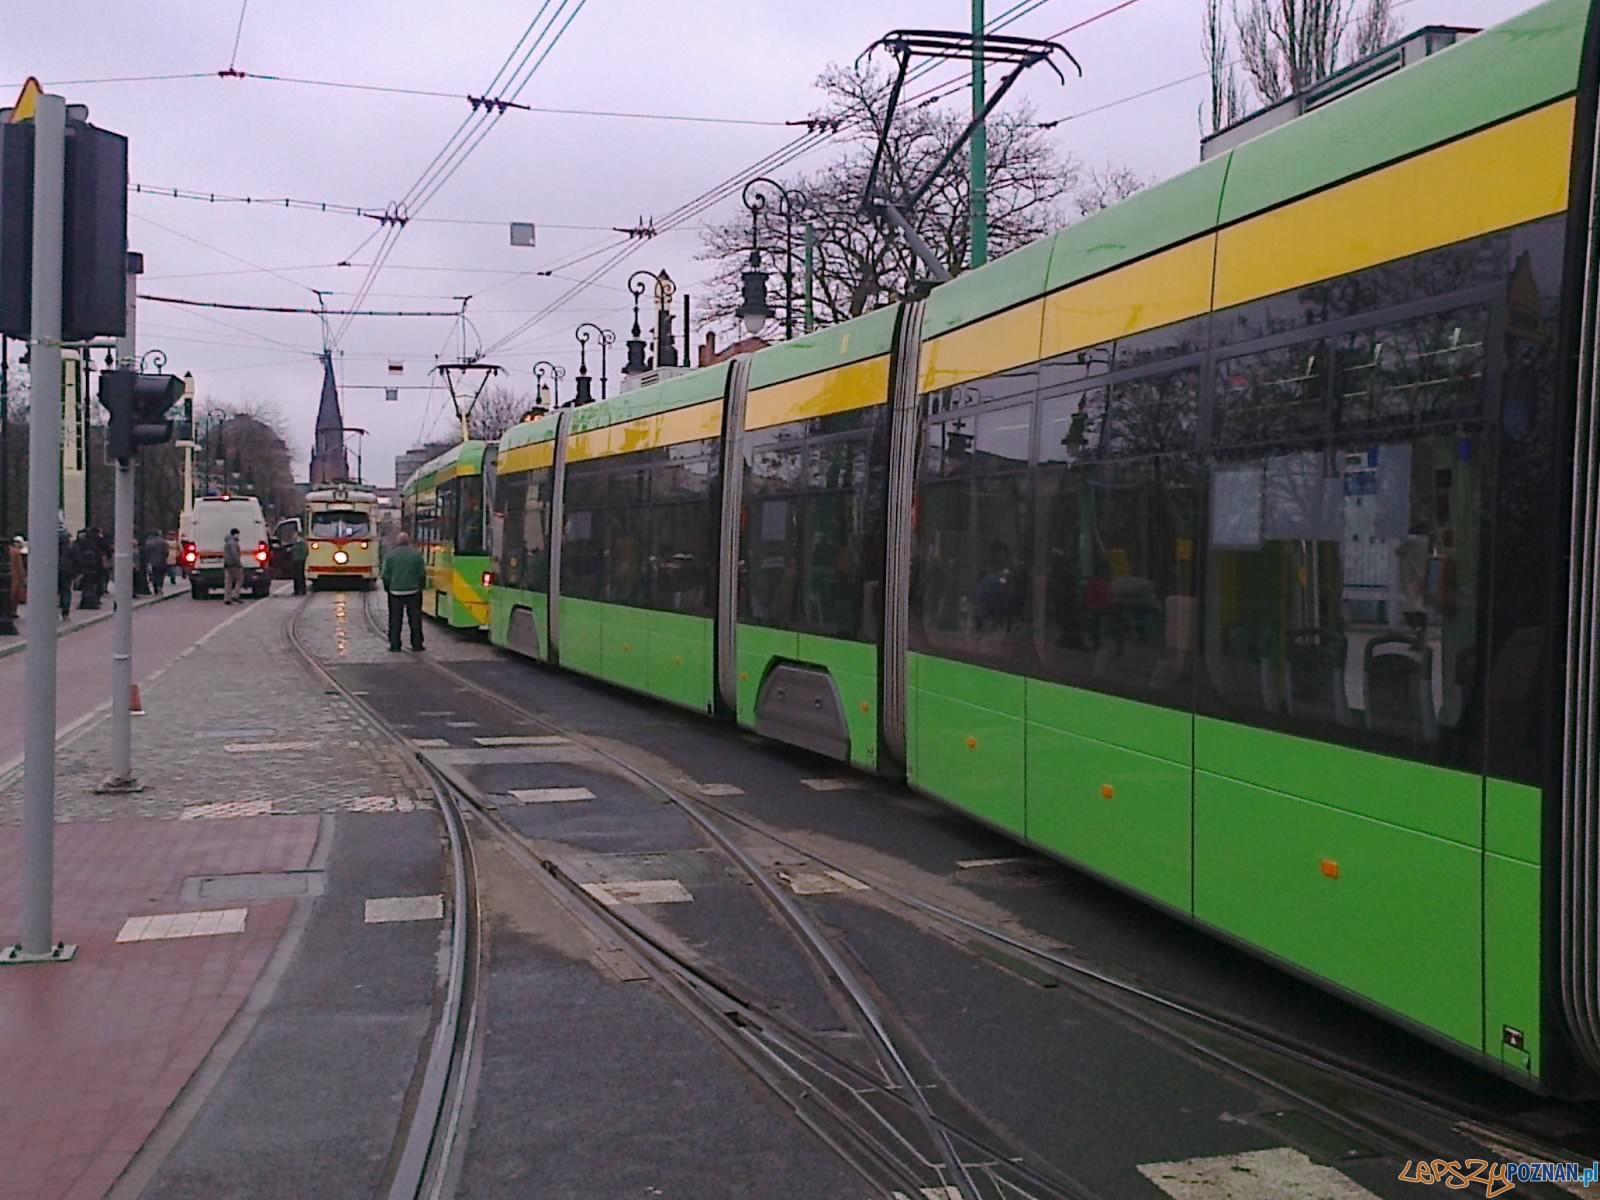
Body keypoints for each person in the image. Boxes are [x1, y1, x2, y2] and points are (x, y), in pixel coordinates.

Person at [381, 531, 425, 652]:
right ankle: (417, 643)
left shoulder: (390, 556)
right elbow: (421, 573)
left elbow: (385, 575)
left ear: (397, 542)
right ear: (409, 541)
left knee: (395, 619)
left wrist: (388, 588)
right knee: (415, 619)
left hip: (395, 592)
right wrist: (421, 586)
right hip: (413, 591)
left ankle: (395, 644)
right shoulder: (416, 555)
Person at [57, 530, 78, 620]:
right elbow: (77, 559)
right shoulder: (71, 548)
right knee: (66, 591)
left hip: (56, 571)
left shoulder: (54, 548)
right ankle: (65, 612)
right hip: (67, 572)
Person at [222, 527, 244, 605]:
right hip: (234, 565)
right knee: (240, 579)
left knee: (228, 582)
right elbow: (235, 555)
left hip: (227, 565)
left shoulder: (227, 542)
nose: (238, 536)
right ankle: (235, 596)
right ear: (235, 534)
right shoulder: (234, 543)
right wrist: (239, 563)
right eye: (237, 534)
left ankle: (227, 598)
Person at [143, 531, 169, 596]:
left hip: (152, 561)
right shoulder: (163, 542)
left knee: (154, 574)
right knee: (161, 575)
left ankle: (155, 588)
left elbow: (146, 552)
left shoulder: (148, 542)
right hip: (162, 561)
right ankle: (159, 587)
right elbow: (166, 552)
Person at [290, 531, 309, 595]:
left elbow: (305, 552)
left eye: (294, 534)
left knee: (300, 576)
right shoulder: (296, 543)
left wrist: (301, 559)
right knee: (296, 576)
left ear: (298, 535)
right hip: (296, 561)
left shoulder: (302, 543)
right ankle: (297, 590)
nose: (293, 536)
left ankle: (301, 590)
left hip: (299, 561)